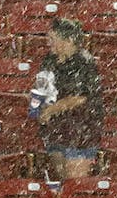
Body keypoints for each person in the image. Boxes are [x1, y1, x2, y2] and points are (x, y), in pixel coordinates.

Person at [35, 16, 104, 181]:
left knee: (75, 184)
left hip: (81, 130)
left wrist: (50, 110)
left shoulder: (84, 62)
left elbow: (79, 97)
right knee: (62, 181)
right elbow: (42, 87)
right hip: (56, 130)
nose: (48, 42)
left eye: (52, 39)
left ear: (69, 40)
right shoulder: (49, 60)